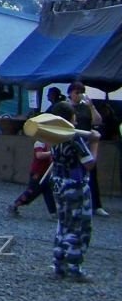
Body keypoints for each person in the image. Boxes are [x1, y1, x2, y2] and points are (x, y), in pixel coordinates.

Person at [48, 100, 99, 281]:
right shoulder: (73, 137)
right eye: (74, 118)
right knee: (78, 225)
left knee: (63, 223)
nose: (76, 122)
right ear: (69, 119)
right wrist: (94, 143)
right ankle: (74, 266)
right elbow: (89, 163)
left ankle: (59, 265)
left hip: (57, 182)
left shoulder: (53, 136)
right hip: (74, 183)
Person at [67, 82, 107, 217]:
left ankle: (97, 205)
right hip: (71, 142)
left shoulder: (86, 108)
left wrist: (91, 107)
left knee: (91, 172)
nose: (78, 95)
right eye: (76, 92)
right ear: (71, 93)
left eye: (81, 92)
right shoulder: (65, 107)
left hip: (86, 142)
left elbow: (97, 121)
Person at [8, 139, 55, 218]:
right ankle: (14, 205)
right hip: (37, 173)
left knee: (48, 192)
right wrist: (52, 153)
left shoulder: (49, 144)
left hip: (44, 173)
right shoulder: (39, 143)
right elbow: (39, 155)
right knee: (31, 191)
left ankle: (53, 213)